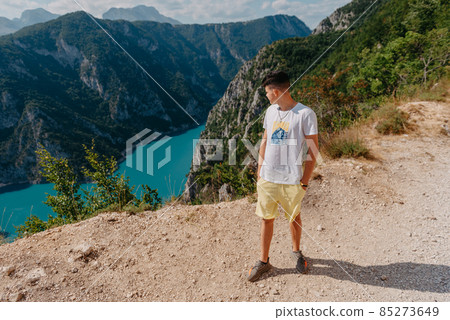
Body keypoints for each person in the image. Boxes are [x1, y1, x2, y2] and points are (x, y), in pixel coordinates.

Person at [247, 71, 319, 282]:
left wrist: (304, 180)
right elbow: (265, 140)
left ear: (276, 91)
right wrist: (260, 171)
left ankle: (296, 252)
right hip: (268, 178)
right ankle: (264, 261)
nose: (266, 96)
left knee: (293, 216)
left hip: (291, 179)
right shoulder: (270, 112)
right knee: (265, 218)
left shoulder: (306, 114)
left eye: (267, 92)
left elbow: (312, 151)